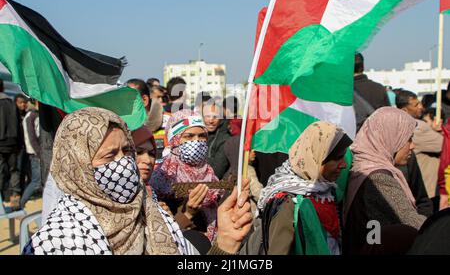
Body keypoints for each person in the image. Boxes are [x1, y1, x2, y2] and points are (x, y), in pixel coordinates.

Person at [24, 107, 252, 255]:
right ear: (78, 166)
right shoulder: (57, 240)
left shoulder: (151, 212)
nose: (126, 163)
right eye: (110, 155)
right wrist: (189, 213)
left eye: (127, 151)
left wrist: (225, 244)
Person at [256, 122, 352, 255]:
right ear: (315, 158)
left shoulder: (327, 190)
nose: (344, 165)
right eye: (337, 158)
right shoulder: (288, 202)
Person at [343, 107, 427, 255]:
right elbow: (415, 224)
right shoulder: (378, 178)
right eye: (409, 138)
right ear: (390, 137)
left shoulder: (363, 165)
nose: (412, 146)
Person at [151, 109, 223, 242]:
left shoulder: (210, 173)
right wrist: (187, 213)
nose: (197, 141)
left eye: (202, 136)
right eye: (189, 136)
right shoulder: (162, 177)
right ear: (175, 140)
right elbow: (160, 234)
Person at [397, 90, 443, 208]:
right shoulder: (418, 127)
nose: (421, 107)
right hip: (427, 190)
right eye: (416, 105)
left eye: (420, 103)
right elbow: (444, 144)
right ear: (404, 110)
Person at [0, 79, 21, 209]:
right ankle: (15, 199)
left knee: (0, 171)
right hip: (13, 142)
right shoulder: (11, 102)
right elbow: (19, 125)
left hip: (1, 142)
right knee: (14, 171)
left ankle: (1, 201)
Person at [20, 100, 41, 208]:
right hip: (35, 153)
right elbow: (32, 137)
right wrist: (39, 153)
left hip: (36, 152)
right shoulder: (31, 116)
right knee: (36, 181)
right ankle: (22, 203)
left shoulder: (33, 115)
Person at [202, 102, 231, 179]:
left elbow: (217, 172)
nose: (211, 121)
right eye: (207, 116)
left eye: (215, 117)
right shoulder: (195, 135)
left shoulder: (225, 139)